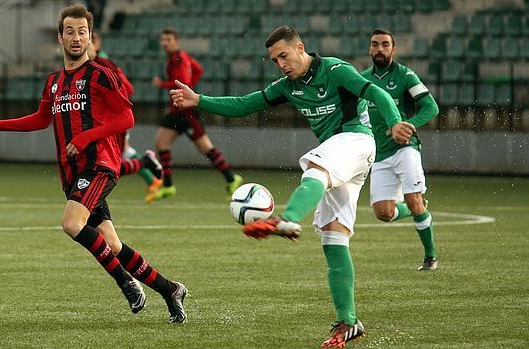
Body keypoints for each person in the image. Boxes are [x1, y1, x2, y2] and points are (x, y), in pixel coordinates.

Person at [170, 26, 416, 348]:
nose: (281, 64)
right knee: (333, 236)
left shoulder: (335, 70)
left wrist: (395, 120)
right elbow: (246, 104)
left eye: (284, 56)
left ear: (300, 48)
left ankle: (287, 218)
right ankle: (349, 321)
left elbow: (376, 93)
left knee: (315, 170)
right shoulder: (288, 86)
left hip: (356, 140)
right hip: (341, 155)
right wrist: (199, 100)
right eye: (274, 60)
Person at [0, 4, 187, 323]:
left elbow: (126, 116)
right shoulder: (54, 81)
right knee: (112, 246)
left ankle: (127, 284)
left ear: (90, 37)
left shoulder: (101, 75)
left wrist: (87, 138)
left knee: (72, 223)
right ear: (60, 38)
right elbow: (40, 119)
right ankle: (170, 290)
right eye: (70, 32)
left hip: (99, 165)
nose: (76, 37)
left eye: (82, 31)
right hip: (71, 173)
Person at [361, 28, 440, 271]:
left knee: (413, 199)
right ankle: (417, 208)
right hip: (379, 154)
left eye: (385, 45)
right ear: (370, 49)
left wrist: (407, 125)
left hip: (406, 148)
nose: (380, 49)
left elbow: (431, 107)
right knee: (383, 213)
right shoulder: (362, 80)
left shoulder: (406, 76)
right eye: (375, 44)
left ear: (393, 50)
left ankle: (430, 257)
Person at [149, 27, 243, 203]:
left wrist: (163, 84)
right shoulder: (177, 57)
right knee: (161, 143)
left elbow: (182, 81)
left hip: (187, 112)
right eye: (163, 40)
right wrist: (189, 85)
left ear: (176, 41)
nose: (164, 43)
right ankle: (168, 185)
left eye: (168, 40)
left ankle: (231, 178)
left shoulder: (178, 58)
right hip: (177, 110)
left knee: (205, 147)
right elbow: (198, 69)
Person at [88, 35, 164, 199]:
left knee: (108, 166)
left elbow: (126, 89)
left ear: (95, 44)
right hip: (105, 119)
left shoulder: (102, 64)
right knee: (118, 157)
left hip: (111, 120)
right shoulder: (96, 62)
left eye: (88, 43)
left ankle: (147, 167)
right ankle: (150, 174)